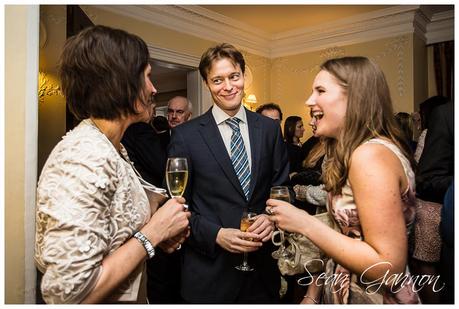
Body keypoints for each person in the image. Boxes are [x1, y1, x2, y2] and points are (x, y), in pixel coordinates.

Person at [34, 25, 191, 304]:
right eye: (147, 77)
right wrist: (153, 233)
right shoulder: (82, 156)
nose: (154, 89)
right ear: (123, 83)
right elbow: (69, 295)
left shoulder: (112, 147)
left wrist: (157, 217)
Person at [266, 56, 420, 304]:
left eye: (321, 90)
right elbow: (345, 238)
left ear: (355, 98)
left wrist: (305, 223)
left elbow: (389, 268)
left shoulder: (370, 156)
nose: (309, 101)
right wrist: (314, 294)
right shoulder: (355, 152)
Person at [168, 43, 290, 303]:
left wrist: (271, 219)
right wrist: (216, 235)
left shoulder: (269, 130)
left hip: (262, 274)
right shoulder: (185, 136)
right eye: (217, 80)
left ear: (244, 76)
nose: (228, 86)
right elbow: (177, 208)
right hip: (209, 276)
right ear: (206, 83)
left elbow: (281, 188)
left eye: (234, 76)